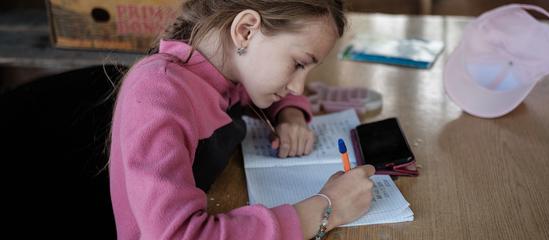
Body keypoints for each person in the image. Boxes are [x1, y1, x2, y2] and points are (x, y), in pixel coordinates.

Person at [109, 1, 375, 239]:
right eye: (298, 64)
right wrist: (327, 209)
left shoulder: (227, 70)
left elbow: (259, 90)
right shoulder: (160, 93)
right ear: (246, 30)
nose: (298, 88)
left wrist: (290, 114)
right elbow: (178, 234)